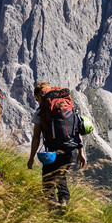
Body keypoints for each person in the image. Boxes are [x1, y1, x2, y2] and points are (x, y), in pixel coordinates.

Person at [25, 81, 86, 210]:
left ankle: (52, 211)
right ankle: (63, 201)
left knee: (48, 180)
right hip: (70, 148)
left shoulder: (41, 111)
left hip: (52, 151)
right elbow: (77, 131)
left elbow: (36, 138)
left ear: (39, 96)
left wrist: (31, 158)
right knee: (61, 175)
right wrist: (81, 153)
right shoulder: (67, 105)